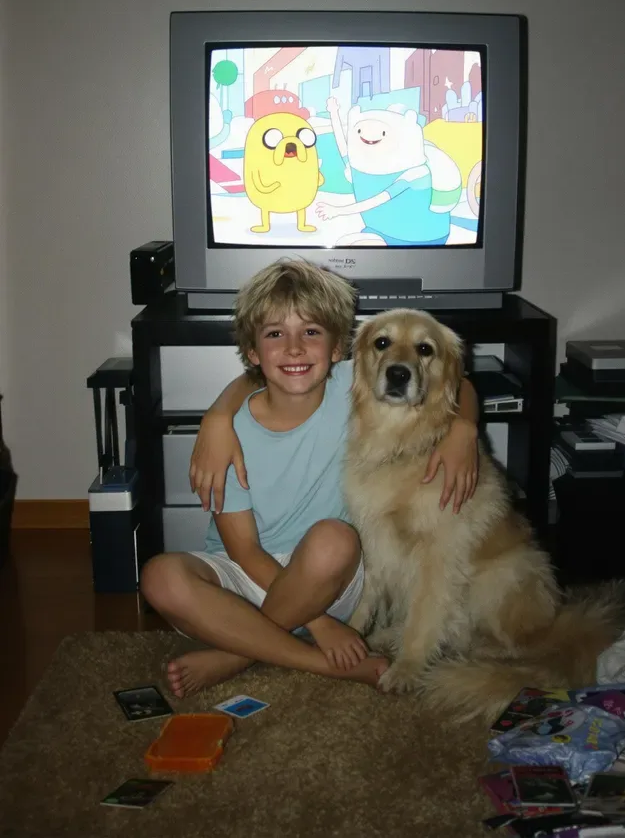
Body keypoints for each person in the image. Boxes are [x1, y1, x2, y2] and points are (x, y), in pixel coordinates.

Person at [141, 259, 479, 698]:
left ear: (339, 350)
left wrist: (464, 430)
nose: (295, 348)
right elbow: (243, 551)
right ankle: (317, 661)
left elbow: (459, 383)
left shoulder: (354, 388)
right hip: (249, 576)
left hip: (329, 580)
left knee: (333, 539)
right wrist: (320, 625)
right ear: (253, 353)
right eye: (275, 334)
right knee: (159, 576)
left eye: (311, 332)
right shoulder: (230, 435)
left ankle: (234, 653)